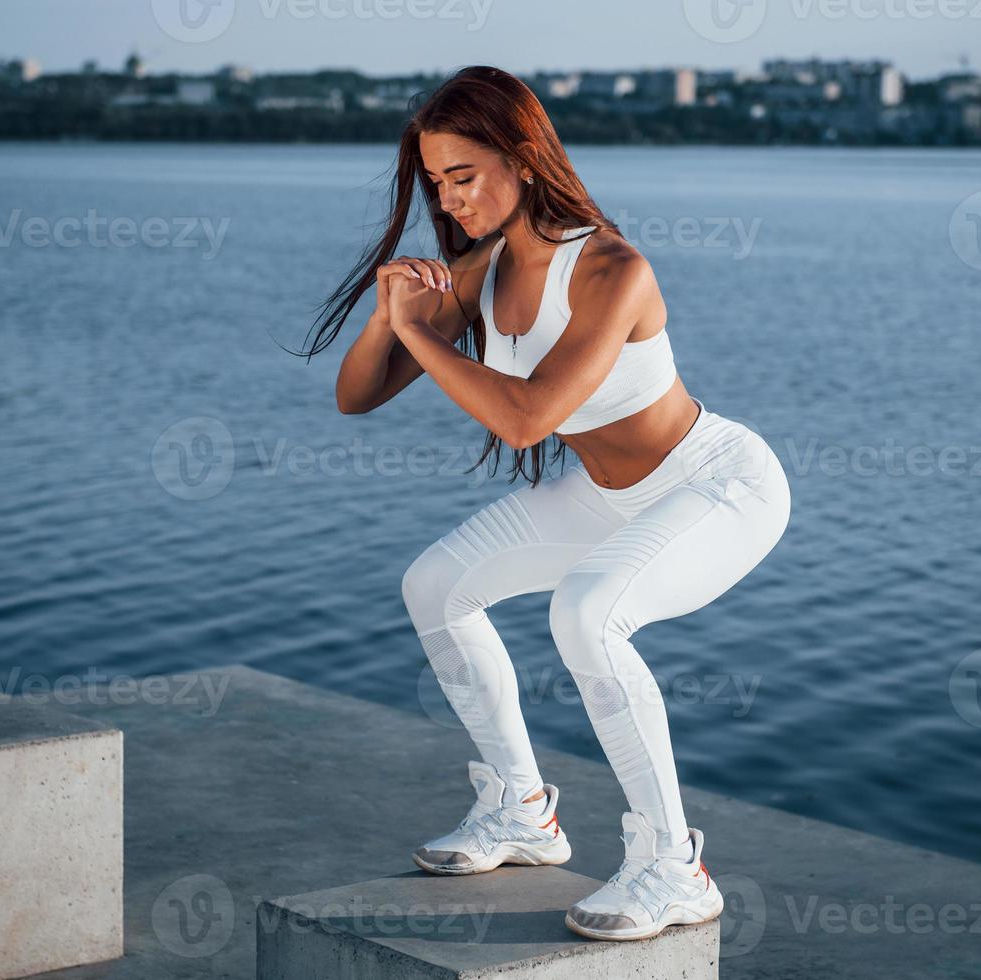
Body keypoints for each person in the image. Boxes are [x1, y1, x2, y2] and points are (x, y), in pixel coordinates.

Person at [316, 65, 791, 942]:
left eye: (464, 175)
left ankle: (674, 868)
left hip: (716, 485)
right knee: (436, 585)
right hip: (605, 498)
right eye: (436, 181)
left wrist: (424, 329)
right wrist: (393, 314)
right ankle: (522, 814)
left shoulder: (612, 269)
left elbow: (528, 420)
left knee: (587, 613)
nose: (448, 199)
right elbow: (356, 395)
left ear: (524, 158)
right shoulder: (481, 270)